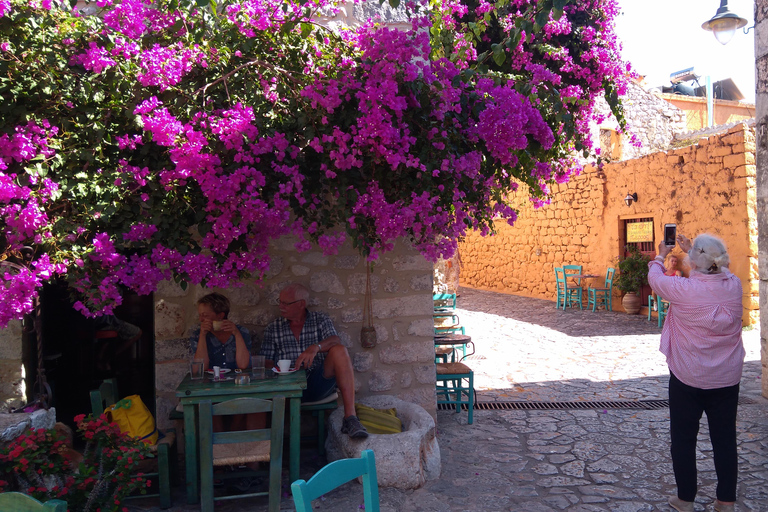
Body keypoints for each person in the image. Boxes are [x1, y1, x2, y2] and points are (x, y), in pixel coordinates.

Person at [649, 234, 744, 512]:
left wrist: (659, 255)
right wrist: (694, 251)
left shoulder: (684, 290)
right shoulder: (735, 285)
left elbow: (656, 280)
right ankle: (726, 501)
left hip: (687, 376)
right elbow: (717, 273)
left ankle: (685, 499)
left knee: (684, 438)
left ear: (696, 262)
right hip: (726, 378)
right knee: (725, 439)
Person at [260, 283, 368, 439]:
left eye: (285, 303)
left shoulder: (320, 320)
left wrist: (316, 347)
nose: (280, 306)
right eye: (280, 301)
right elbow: (267, 362)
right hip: (287, 386)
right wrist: (280, 372)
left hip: (318, 382)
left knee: (339, 350)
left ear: (301, 304)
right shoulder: (273, 328)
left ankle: (350, 418)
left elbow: (335, 340)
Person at [190, 292, 251, 371]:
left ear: (220, 316)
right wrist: (202, 335)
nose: (201, 319)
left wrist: (237, 334)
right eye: (200, 315)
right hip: (209, 382)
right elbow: (199, 369)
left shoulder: (242, 332)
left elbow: (243, 365)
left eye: (205, 315)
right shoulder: (197, 335)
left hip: (236, 381)